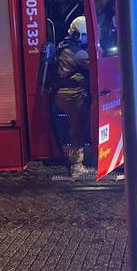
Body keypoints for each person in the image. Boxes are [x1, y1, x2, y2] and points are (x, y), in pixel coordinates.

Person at [53, 16, 93, 177]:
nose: (87, 39)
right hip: (71, 95)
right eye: (86, 35)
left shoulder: (65, 45)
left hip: (66, 94)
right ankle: (76, 166)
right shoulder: (78, 53)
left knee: (78, 126)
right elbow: (96, 65)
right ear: (78, 34)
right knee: (79, 127)